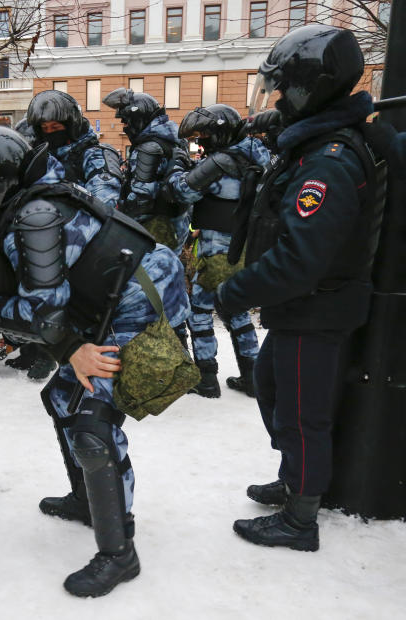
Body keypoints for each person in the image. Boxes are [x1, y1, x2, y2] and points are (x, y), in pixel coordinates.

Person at [0, 125, 191, 597]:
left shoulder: (35, 215)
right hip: (114, 295)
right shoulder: (36, 199)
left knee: (92, 425)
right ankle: (86, 500)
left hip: (136, 301)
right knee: (62, 396)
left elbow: (42, 311)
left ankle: (120, 554)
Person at [216, 25, 384, 552]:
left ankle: (301, 517)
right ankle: (297, 477)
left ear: (312, 86)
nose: (279, 97)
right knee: (271, 388)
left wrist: (232, 293)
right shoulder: (313, 146)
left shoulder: (328, 161)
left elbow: (301, 259)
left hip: (317, 308)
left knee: (301, 413)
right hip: (300, 308)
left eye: (284, 87)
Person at [170, 105, 270, 398]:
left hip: (218, 250)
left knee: (199, 311)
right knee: (235, 308)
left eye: (204, 135)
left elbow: (181, 191)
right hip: (246, 249)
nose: (201, 142)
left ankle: (207, 378)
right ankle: (253, 377)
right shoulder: (258, 156)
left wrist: (179, 164)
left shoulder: (223, 162)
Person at [102, 88, 194, 254]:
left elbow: (141, 197)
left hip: (154, 226)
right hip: (174, 222)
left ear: (138, 119)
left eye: (127, 122)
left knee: (148, 278)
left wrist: (118, 216)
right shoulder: (174, 141)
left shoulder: (149, 147)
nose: (125, 127)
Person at [25, 90, 122, 209]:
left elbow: (104, 203)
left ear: (71, 127)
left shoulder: (95, 155)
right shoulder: (42, 156)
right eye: (44, 128)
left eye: (55, 127)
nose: (49, 132)